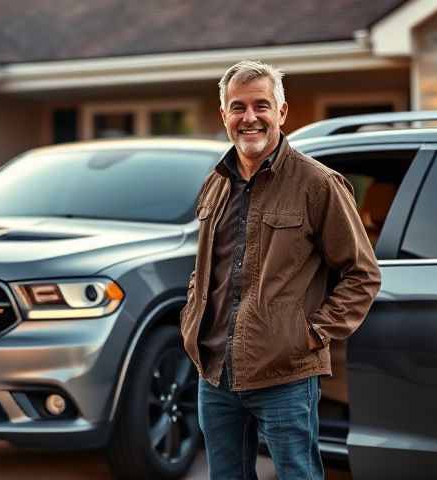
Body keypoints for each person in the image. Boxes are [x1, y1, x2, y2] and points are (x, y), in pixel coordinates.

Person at [179, 60, 382, 479]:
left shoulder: (318, 184)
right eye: (238, 107)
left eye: (261, 106)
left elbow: (362, 274)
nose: (249, 118)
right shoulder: (214, 183)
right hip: (214, 373)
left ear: (282, 113)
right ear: (224, 116)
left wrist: (311, 334)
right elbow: (205, 269)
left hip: (285, 374)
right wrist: (191, 320)